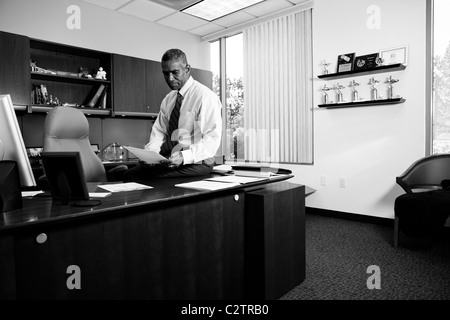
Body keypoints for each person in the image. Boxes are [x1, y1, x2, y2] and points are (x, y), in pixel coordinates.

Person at [123, 49, 222, 182]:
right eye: (165, 73)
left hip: (197, 161)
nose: (170, 79)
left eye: (175, 72)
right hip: (169, 160)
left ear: (187, 69)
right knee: (129, 174)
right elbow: (159, 131)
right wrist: (150, 154)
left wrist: (184, 156)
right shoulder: (169, 99)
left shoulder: (205, 97)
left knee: (149, 179)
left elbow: (212, 139)